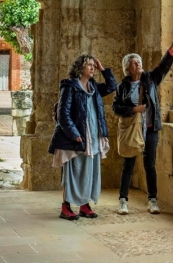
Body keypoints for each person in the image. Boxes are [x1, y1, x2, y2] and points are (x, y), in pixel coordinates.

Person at [112, 34, 173, 215]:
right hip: (133, 131)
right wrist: (133, 110)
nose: (138, 64)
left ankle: (152, 200)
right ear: (127, 68)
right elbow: (115, 107)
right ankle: (123, 201)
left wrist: (172, 49)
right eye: (134, 63)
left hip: (150, 130)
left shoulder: (150, 79)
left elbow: (163, 67)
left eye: (139, 62)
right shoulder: (123, 87)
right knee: (128, 164)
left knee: (149, 165)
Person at [48, 54, 116, 220]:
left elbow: (112, 86)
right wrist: (74, 134)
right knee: (72, 173)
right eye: (89, 65)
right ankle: (66, 207)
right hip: (75, 138)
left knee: (88, 171)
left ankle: (84, 205)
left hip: (92, 136)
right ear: (80, 68)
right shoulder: (69, 87)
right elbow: (62, 114)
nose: (92, 68)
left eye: (94, 65)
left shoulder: (93, 87)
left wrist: (103, 69)